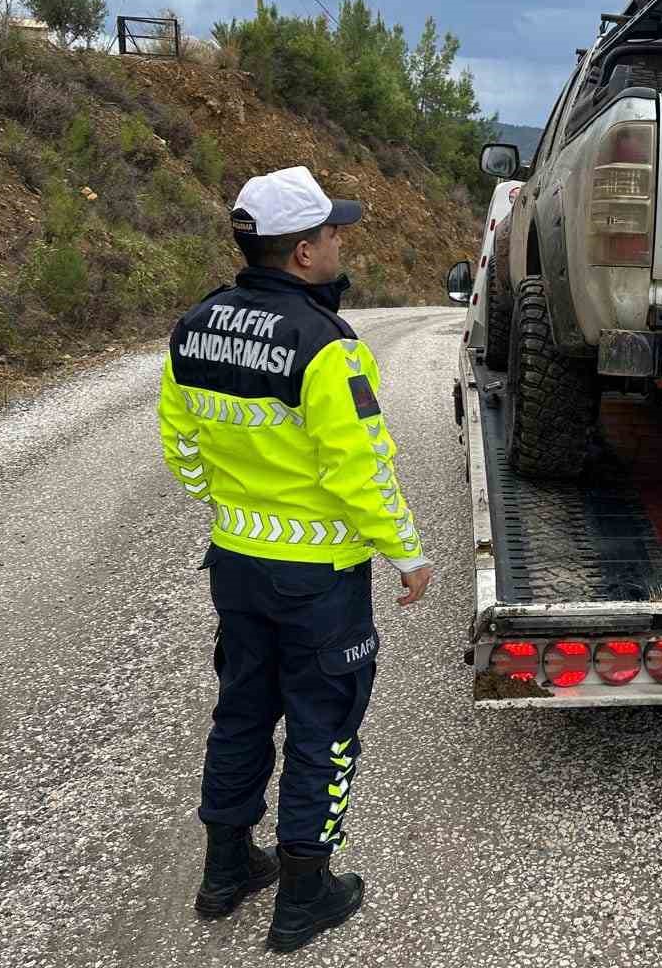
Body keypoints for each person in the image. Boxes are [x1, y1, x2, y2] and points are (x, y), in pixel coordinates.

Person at [157, 165, 432, 953]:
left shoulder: (195, 326)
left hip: (236, 567)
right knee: (325, 726)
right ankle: (305, 895)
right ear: (304, 252)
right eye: (334, 233)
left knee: (242, 711)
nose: (342, 242)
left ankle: (225, 872)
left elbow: (179, 444)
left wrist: (228, 500)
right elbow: (361, 470)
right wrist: (407, 554)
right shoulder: (327, 346)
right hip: (319, 584)